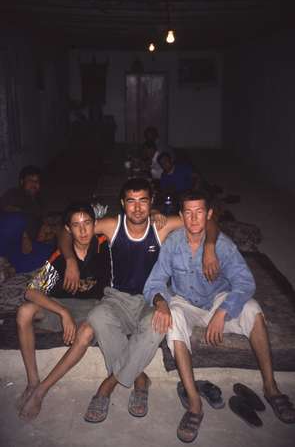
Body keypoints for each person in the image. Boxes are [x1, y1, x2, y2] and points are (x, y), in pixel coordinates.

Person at [18, 178, 219, 422]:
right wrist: (70, 260)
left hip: (150, 298)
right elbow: (66, 230)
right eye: (131, 202)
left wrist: (209, 246)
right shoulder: (112, 226)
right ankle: (139, 379)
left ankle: (109, 383)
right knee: (97, 316)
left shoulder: (161, 227)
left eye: (143, 202)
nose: (137, 208)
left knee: (158, 325)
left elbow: (205, 221)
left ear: (151, 202)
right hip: (117, 298)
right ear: (123, 204)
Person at [144, 189, 295, 443]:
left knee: (253, 310)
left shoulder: (222, 244)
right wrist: (160, 302)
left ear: (209, 214)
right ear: (181, 215)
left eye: (199, 212)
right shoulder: (173, 243)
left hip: (217, 299)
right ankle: (194, 403)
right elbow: (155, 282)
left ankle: (271, 388)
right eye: (188, 213)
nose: (193, 219)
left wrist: (224, 311)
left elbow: (245, 282)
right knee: (173, 321)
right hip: (185, 302)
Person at [17, 202, 111, 418]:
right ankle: (33, 382)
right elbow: (31, 292)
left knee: (86, 332)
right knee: (24, 311)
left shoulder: (104, 246)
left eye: (87, 223)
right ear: (68, 230)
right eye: (76, 225)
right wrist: (63, 313)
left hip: (92, 307)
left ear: (94, 224)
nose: (83, 230)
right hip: (61, 305)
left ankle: (42, 391)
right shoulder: (61, 256)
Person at [0, 165, 52, 272]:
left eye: (37, 181)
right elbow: (8, 212)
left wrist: (44, 231)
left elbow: (40, 227)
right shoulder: (14, 193)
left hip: (21, 246)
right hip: (9, 236)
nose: (34, 184)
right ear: (22, 182)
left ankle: (9, 265)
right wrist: (24, 235)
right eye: (30, 180)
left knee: (51, 254)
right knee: (17, 219)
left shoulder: (40, 203)